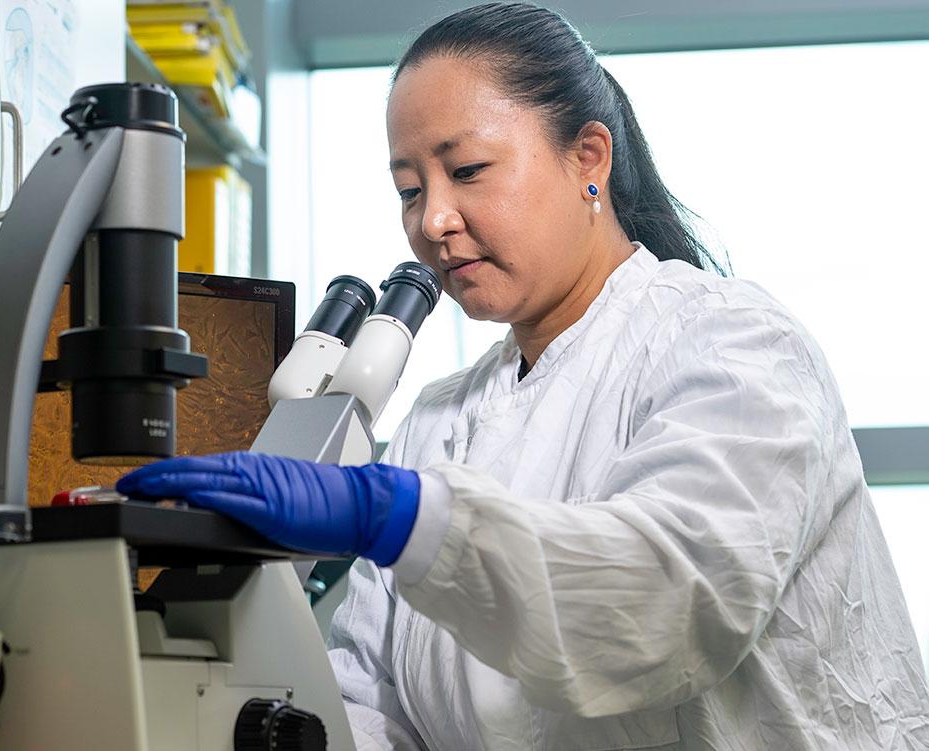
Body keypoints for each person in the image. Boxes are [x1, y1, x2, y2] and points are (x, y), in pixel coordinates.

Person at [117, 3, 929, 748]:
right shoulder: (440, 420)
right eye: (409, 189)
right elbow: (378, 702)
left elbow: (660, 606)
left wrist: (404, 517)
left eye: (466, 171)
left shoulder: (735, 346)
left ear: (589, 157)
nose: (432, 221)